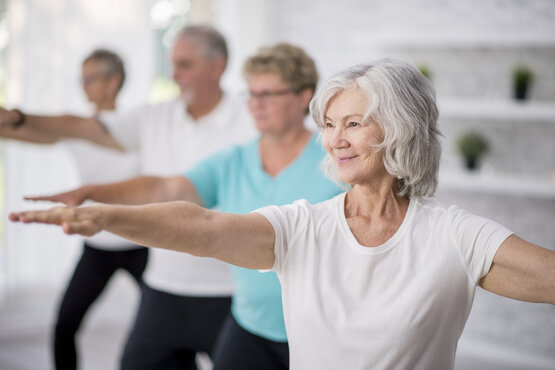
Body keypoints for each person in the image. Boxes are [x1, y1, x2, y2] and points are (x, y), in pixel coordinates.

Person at [9, 58, 555, 370]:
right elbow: (202, 226)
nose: (336, 140)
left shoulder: (454, 236)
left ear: (401, 128)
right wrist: (109, 216)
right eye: (330, 124)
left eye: (355, 123)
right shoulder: (302, 227)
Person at [22, 43, 343, 370]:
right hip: (251, 325)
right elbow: (166, 187)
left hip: (318, 330)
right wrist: (92, 194)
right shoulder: (233, 161)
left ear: (304, 96)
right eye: (252, 94)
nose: (256, 105)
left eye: (269, 95)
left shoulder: (335, 160)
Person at [2, 25, 255, 369]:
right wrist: (18, 118)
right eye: (172, 64)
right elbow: (81, 127)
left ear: (217, 66)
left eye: (185, 65)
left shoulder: (252, 119)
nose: (174, 74)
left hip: (228, 291)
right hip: (163, 288)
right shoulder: (154, 116)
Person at [0, 48, 147, 370]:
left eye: (90, 78)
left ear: (114, 81)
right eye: (81, 79)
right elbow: (21, 131)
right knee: (65, 325)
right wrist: (9, 121)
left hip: (141, 245)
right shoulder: (72, 129)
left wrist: (16, 115)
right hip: (98, 245)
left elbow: (74, 125)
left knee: (166, 327)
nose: (84, 85)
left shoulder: (134, 123)